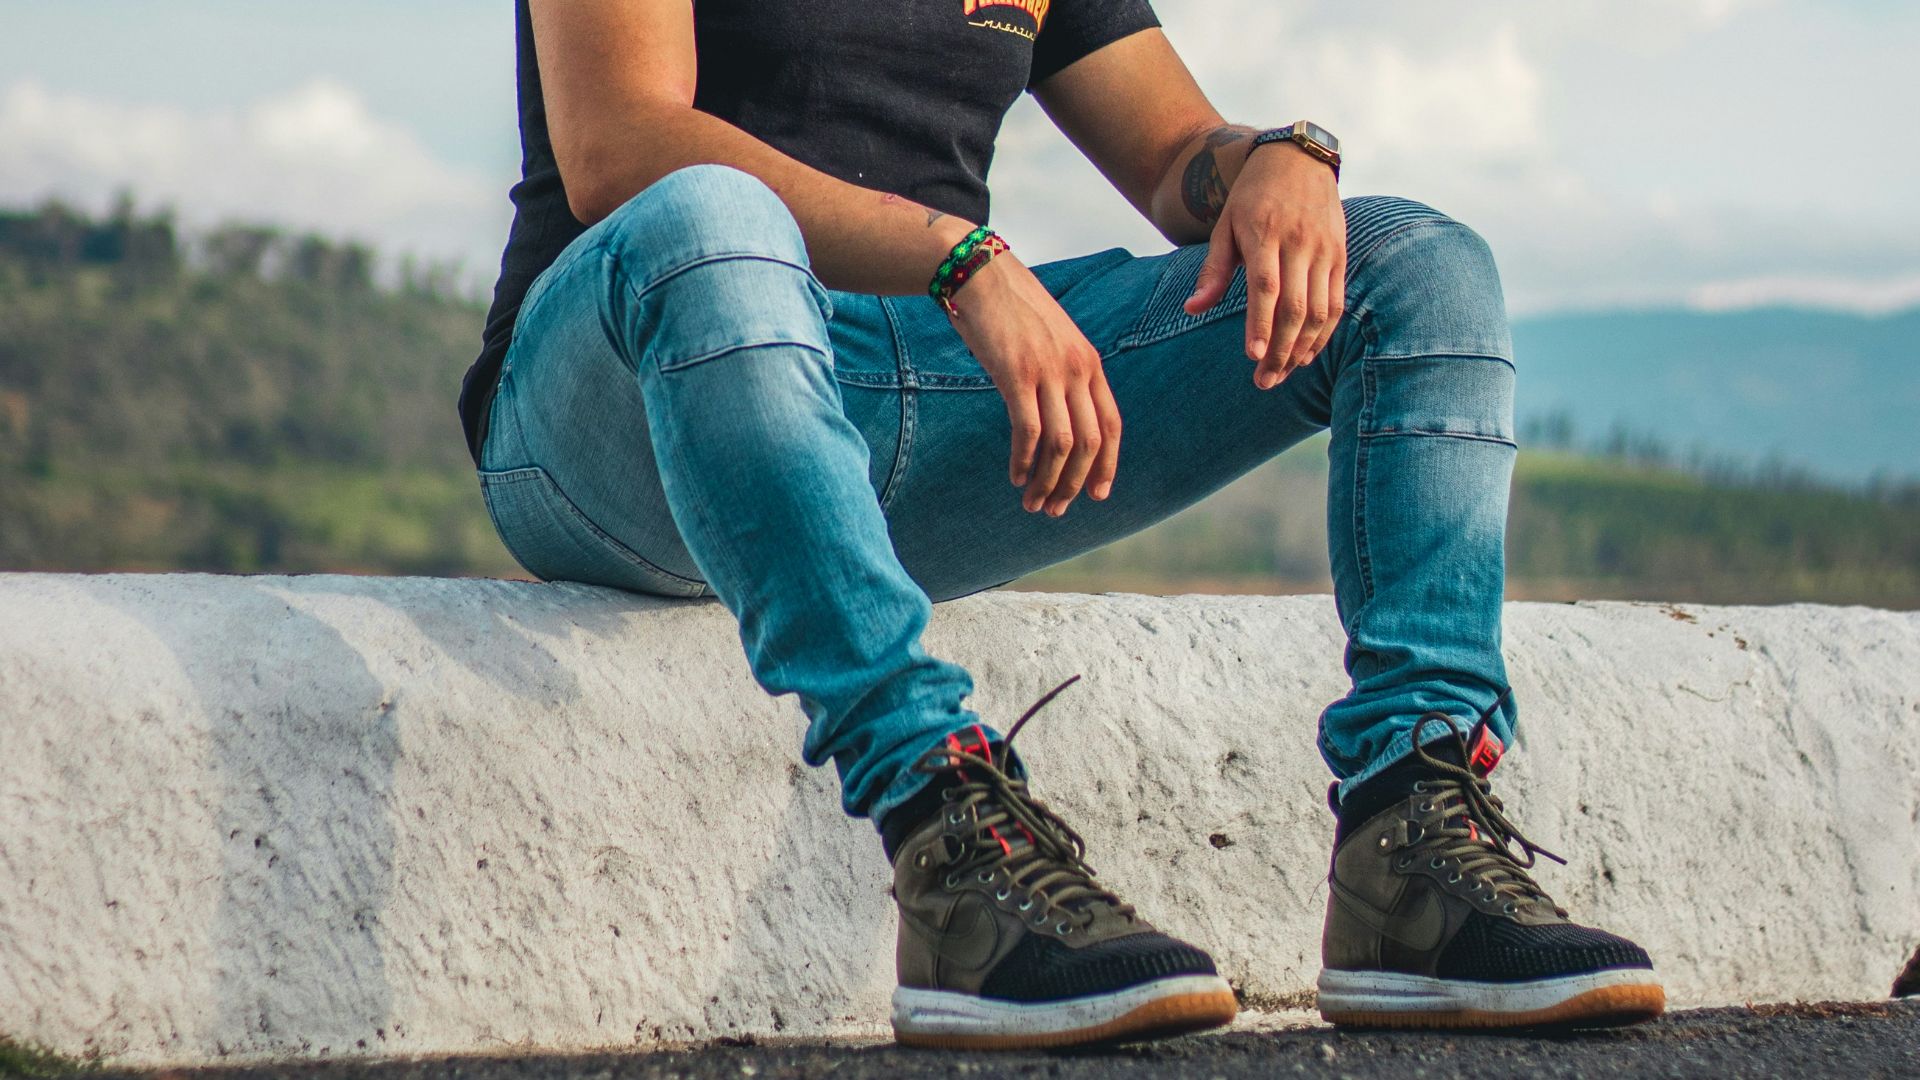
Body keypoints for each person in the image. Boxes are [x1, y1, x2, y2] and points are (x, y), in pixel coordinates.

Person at [460, 0, 1667, 1049]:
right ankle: (948, 832)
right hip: (632, 409)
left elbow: (1172, 156)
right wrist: (963, 259)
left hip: (910, 392)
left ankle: (1414, 843)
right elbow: (621, 144)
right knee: (704, 216)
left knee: (1419, 265)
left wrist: (1273, 157)